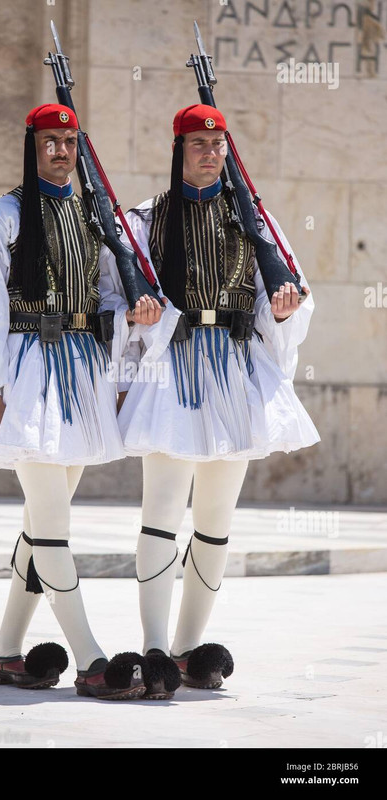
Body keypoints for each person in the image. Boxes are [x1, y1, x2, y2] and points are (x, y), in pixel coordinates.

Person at [0, 103, 151, 700]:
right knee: (53, 526)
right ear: (32, 145)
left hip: (79, 375)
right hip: (26, 374)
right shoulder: (2, 216)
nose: (61, 151)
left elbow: (107, 295)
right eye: (50, 141)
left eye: (70, 141)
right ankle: (91, 660)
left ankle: (6, 655)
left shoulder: (89, 217)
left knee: (39, 524)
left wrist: (130, 328)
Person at [99, 103, 321, 690]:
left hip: (234, 369)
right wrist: (130, 347)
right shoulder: (147, 219)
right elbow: (112, 295)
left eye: (217, 144)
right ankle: (152, 648)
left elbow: (291, 290)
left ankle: (188, 648)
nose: (209, 152)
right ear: (178, 149)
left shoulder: (254, 218)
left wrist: (283, 307)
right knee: (162, 513)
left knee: (217, 519)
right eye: (198, 143)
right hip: (172, 369)